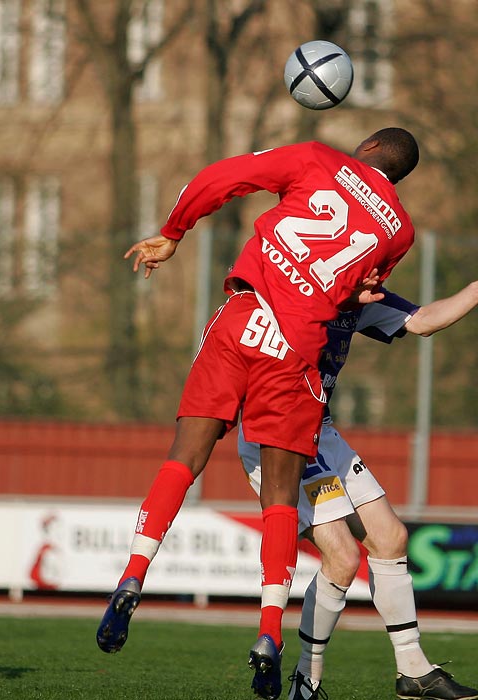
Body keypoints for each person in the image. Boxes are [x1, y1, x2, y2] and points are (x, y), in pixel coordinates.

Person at [96, 128, 421, 700]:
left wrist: (174, 233)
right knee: (280, 499)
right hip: (296, 350)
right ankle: (269, 631)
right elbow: (359, 293)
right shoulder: (400, 230)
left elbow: (218, 178)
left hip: (243, 315)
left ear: (366, 148)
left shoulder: (317, 158)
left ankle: (133, 574)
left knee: (184, 459)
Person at [239, 268, 478, 700]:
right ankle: (305, 681)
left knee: (391, 538)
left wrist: (476, 292)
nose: (378, 277)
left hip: (321, 429)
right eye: (370, 269)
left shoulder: (363, 305)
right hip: (277, 433)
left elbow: (423, 320)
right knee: (342, 556)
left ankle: (413, 670)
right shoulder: (302, 296)